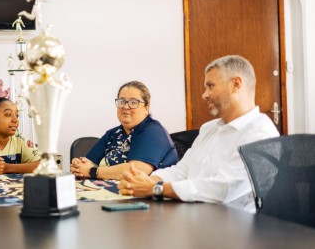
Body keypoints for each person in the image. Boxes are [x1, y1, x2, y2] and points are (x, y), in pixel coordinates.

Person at [118, 55, 279, 212]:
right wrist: (144, 181)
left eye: (211, 86)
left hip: (234, 230)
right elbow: (182, 170)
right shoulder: (209, 129)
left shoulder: (261, 132)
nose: (204, 94)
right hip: (192, 218)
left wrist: (156, 188)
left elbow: (224, 189)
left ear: (235, 84)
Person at [70, 81, 178, 180]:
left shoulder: (153, 131)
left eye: (133, 102)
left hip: (146, 196)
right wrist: (78, 166)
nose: (125, 107)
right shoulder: (113, 134)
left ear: (146, 108)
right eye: (122, 101)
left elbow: (136, 171)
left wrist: (92, 171)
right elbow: (89, 162)